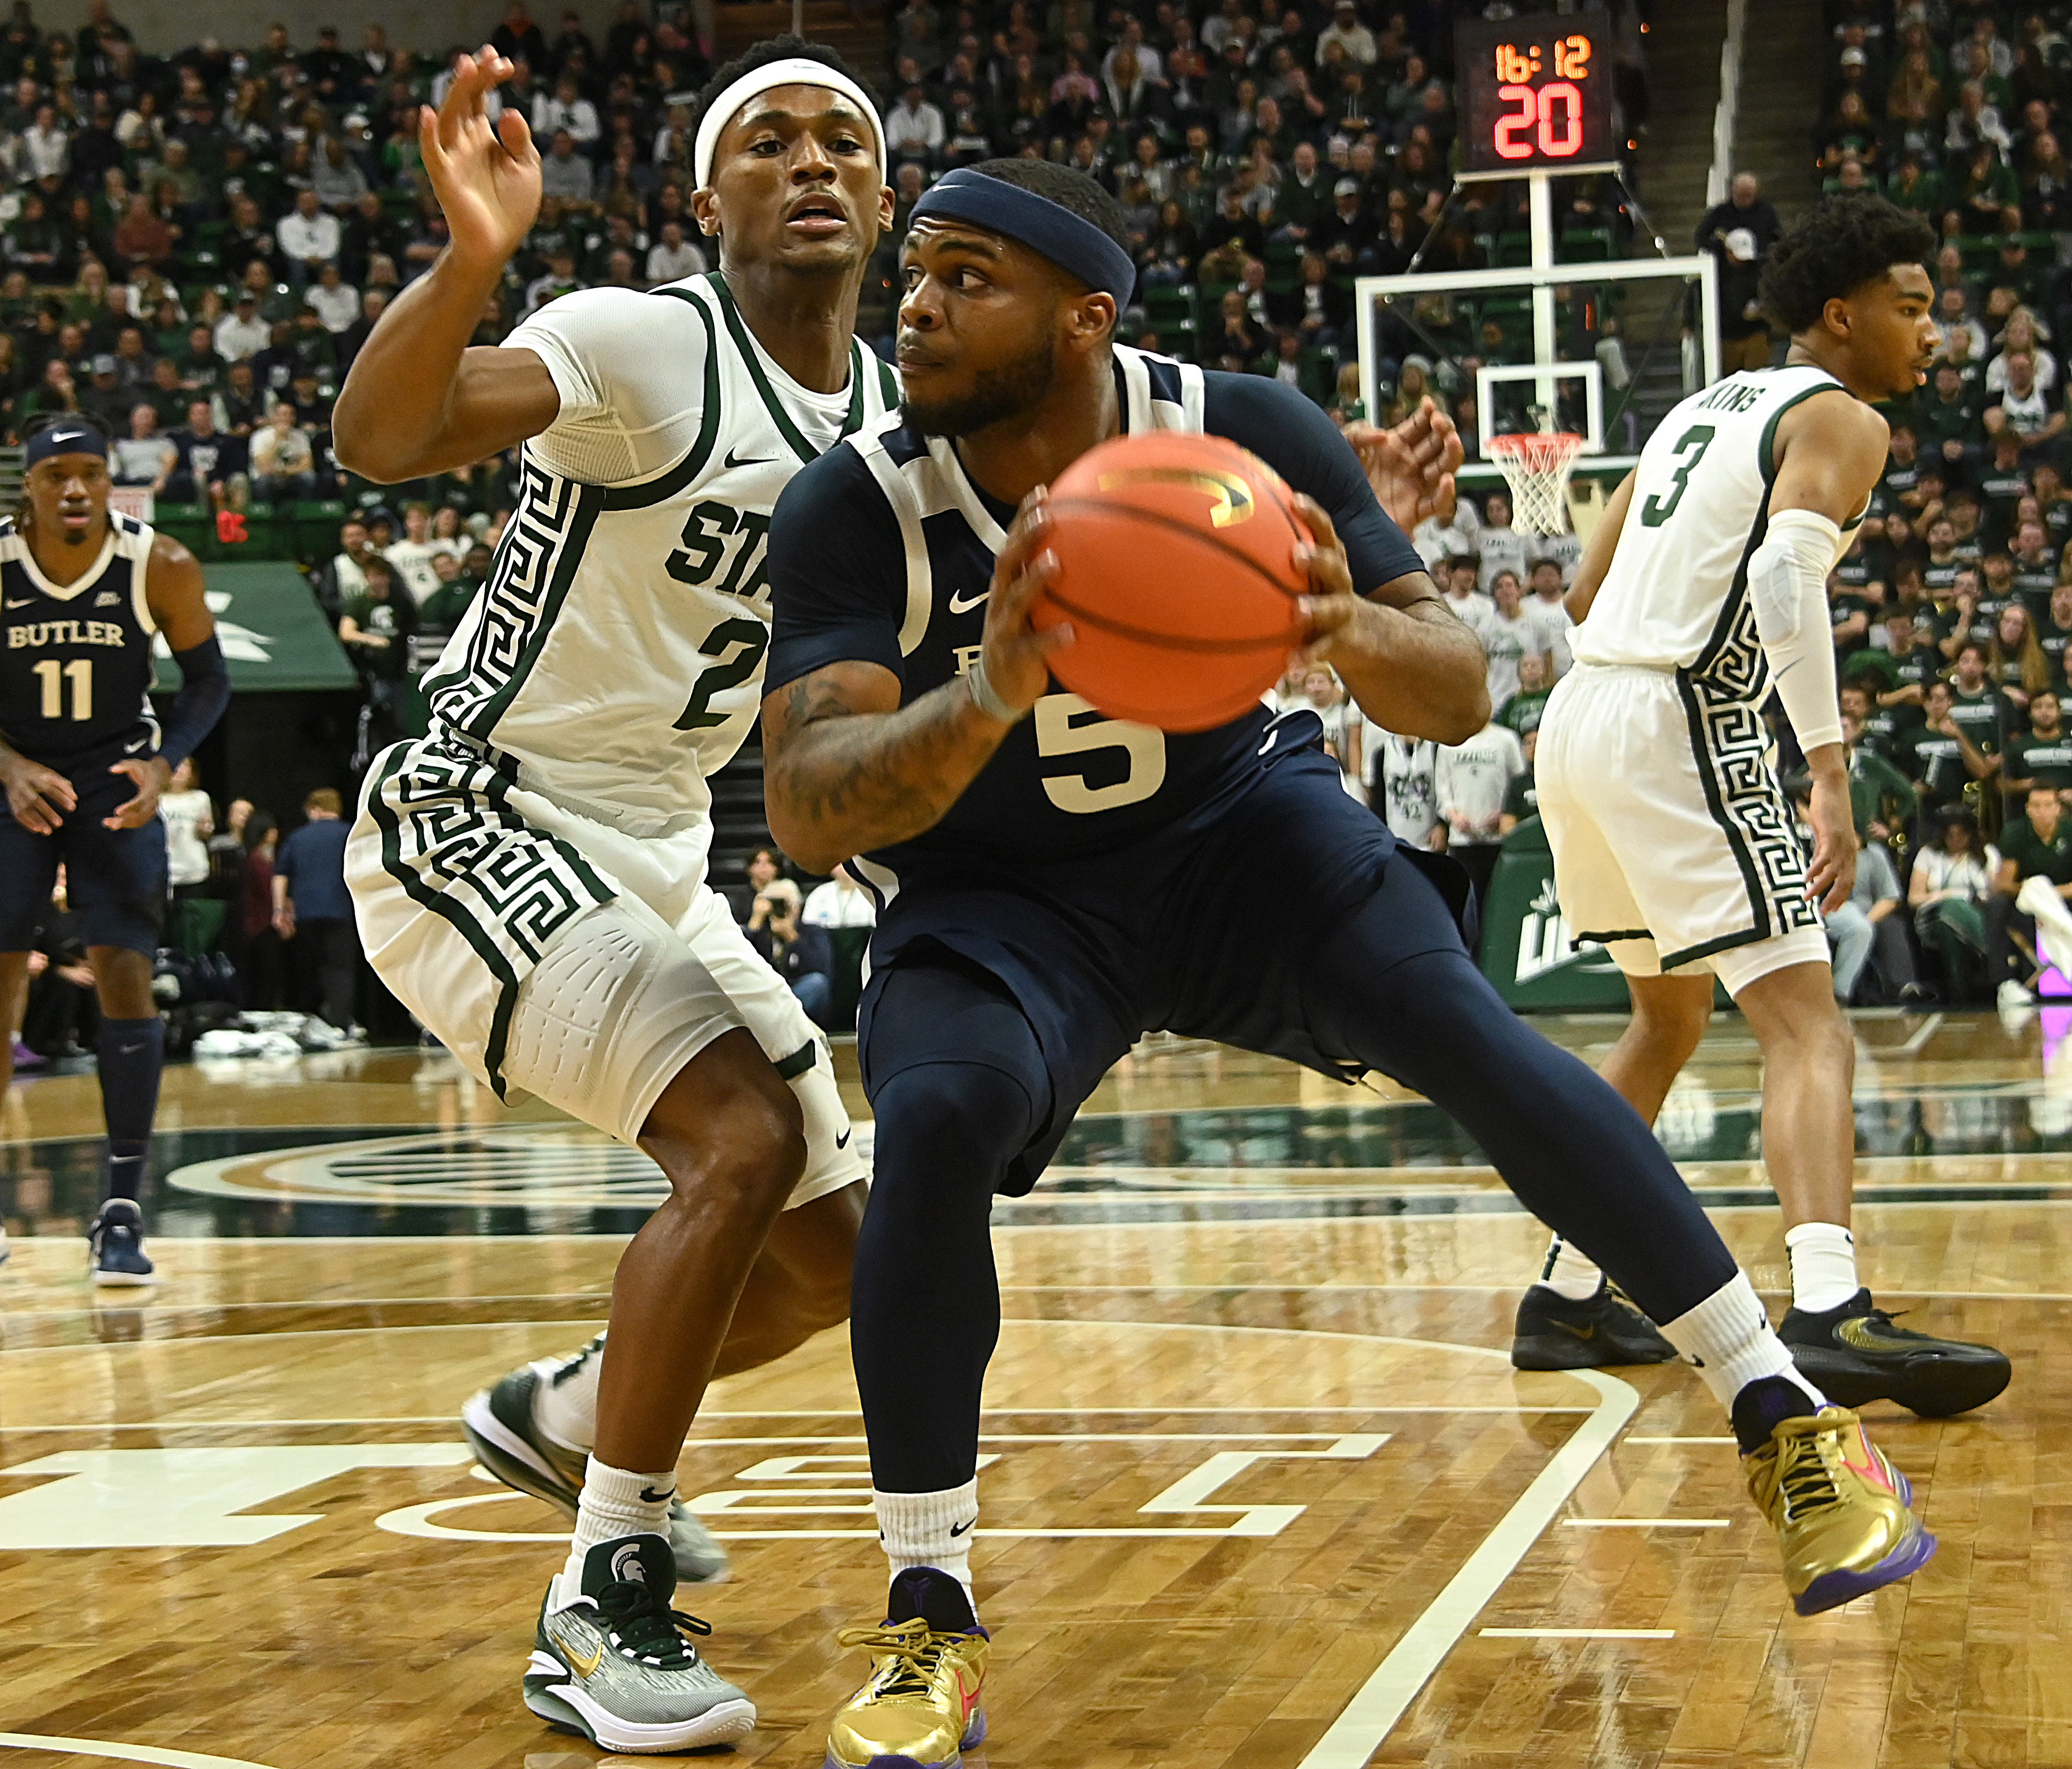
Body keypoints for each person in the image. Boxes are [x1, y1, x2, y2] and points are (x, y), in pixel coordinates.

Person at [759, 161, 1936, 1768]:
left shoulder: (1240, 423)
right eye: (918, 274)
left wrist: (1343, 625)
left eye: (967, 274)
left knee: (1455, 1014)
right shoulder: (855, 500)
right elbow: (812, 811)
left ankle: (1785, 1416)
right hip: (999, 890)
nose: (918, 302)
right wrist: (984, 690)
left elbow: (1450, 683)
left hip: (1241, 828)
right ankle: (926, 1611)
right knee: (939, 1113)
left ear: (1086, 317)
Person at [333, 40, 895, 1753]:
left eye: (847, 142)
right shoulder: (643, 342)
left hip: (659, 843)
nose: (814, 163)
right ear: (705, 201)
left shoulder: (887, 423)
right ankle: (600, 1594)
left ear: (885, 201)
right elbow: (380, 439)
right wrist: (470, 264)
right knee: (732, 1144)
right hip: (476, 809)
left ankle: (569, 1412)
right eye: (772, 142)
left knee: (833, 1265)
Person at [1524, 195, 2008, 1414]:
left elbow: (1582, 592)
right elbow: (1784, 575)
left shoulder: (1696, 404)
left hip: (1581, 715)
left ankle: (1566, 1290)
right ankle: (1829, 1304)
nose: (1931, 333)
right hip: (1682, 712)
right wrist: (1828, 769)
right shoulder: (1838, 417)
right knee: (1806, 1022)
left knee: (1665, 1022)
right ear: (1837, 317)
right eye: (1908, 308)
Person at [0, 414, 229, 1281]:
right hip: (12, 779)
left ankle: (122, 1208)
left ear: (108, 481)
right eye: (56, 473)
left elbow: (208, 678)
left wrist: (163, 764)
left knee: (127, 975)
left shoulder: (157, 562)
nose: (74, 489)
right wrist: (11, 767)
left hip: (110, 781)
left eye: (89, 472)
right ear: (29, 483)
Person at [272, 788, 360, 1038]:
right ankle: (341, 1024)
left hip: (306, 913)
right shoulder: (350, 834)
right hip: (341, 910)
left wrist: (280, 910)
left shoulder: (298, 837)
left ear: (314, 809)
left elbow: (280, 876)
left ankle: (312, 1022)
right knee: (340, 968)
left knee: (312, 967)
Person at [1989, 781, 2072, 1005]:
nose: (2042, 811)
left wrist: (2048, 894)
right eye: (2036, 805)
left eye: (2047, 805)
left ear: (2058, 809)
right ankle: (2004, 982)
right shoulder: (2016, 832)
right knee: (1996, 904)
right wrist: (2035, 893)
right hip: (2027, 903)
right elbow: (2003, 883)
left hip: (2065, 900)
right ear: (2028, 809)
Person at [1910, 810, 1996, 1003]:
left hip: (1976, 912)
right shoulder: (1928, 854)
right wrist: (1941, 896)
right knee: (1949, 909)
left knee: (1949, 929)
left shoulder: (1986, 854)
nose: (1956, 840)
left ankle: (1958, 990)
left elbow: (1994, 894)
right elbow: (1913, 898)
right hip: (1932, 916)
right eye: (1950, 835)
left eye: (1962, 835)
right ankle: (1988, 953)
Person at [158, 757, 214, 901]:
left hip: (193, 868)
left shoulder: (201, 798)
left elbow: (208, 833)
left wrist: (205, 830)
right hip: (166, 869)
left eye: (184, 765)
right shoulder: (157, 799)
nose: (178, 769)